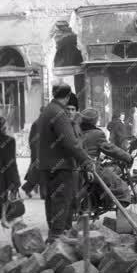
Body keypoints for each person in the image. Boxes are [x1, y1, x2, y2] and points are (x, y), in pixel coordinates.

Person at [38, 84, 94, 243]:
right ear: (68, 96)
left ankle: (56, 236)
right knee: (62, 201)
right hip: (61, 166)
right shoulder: (59, 113)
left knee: (52, 202)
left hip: (47, 166)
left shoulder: (47, 111)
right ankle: (57, 237)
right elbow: (70, 143)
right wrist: (86, 160)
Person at [79, 109, 133, 206]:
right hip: (92, 168)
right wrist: (127, 157)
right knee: (120, 184)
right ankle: (122, 207)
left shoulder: (76, 131)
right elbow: (110, 148)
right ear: (94, 121)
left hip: (77, 167)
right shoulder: (97, 133)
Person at [21, 106, 45, 198]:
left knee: (38, 173)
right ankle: (43, 193)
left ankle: (27, 188)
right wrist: (36, 154)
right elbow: (33, 140)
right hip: (38, 152)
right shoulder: (38, 123)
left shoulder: (44, 122)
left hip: (42, 152)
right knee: (40, 172)